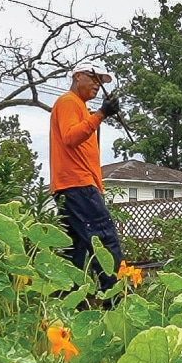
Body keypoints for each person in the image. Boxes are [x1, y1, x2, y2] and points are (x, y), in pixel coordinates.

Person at [49, 63, 124, 292]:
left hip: (70, 186)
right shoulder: (68, 102)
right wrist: (101, 114)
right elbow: (71, 137)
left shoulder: (78, 106)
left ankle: (70, 305)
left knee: (73, 252)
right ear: (78, 76)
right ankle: (117, 300)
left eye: (100, 81)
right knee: (104, 242)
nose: (97, 85)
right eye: (94, 78)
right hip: (78, 185)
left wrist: (97, 115)